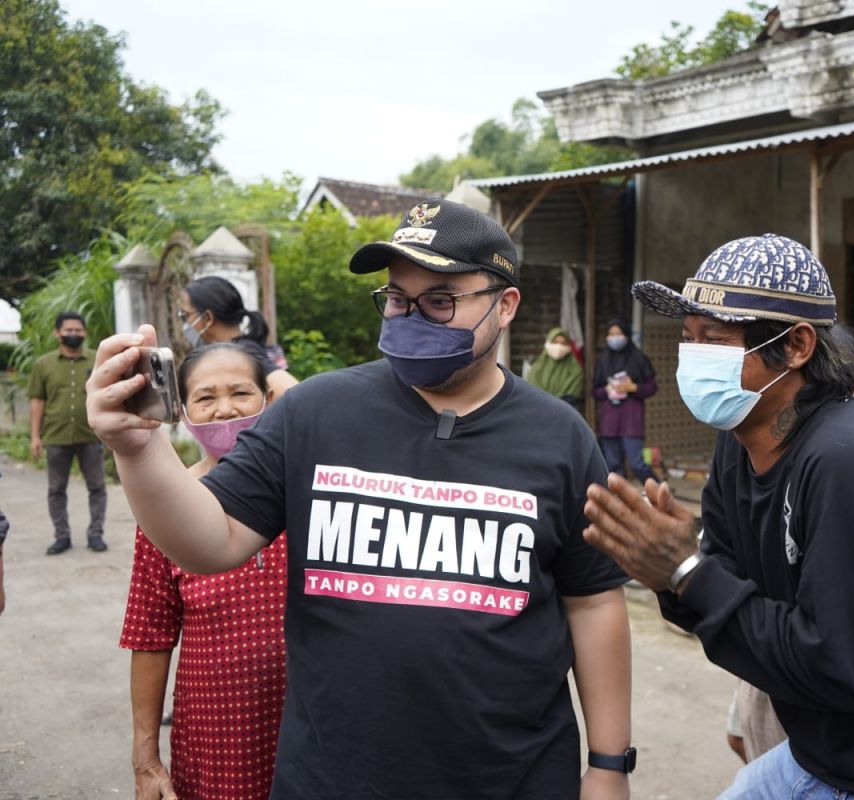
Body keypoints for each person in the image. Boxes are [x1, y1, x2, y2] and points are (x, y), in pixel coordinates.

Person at [88, 199, 633, 799]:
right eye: (399, 298)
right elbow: (210, 541)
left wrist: (608, 765)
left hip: (511, 778)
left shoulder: (559, 437)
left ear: (504, 305)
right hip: (334, 779)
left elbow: (594, 602)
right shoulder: (314, 412)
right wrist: (139, 450)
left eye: (440, 300)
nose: (410, 316)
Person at [583, 233, 854, 799]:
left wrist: (689, 573)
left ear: (797, 346)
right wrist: (672, 570)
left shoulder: (845, 465)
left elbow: (838, 669)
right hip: (820, 754)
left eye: (717, 339)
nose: (694, 355)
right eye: (688, 338)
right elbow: (724, 594)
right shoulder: (738, 441)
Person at [121, 343, 287, 800]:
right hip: (216, 735)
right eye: (206, 397)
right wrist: (146, 759)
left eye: (240, 392)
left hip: (311, 727)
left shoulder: (309, 495)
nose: (225, 409)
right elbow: (149, 635)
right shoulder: (165, 508)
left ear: (269, 401)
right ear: (184, 411)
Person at [29, 311, 107, 555]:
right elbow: (37, 401)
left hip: (91, 435)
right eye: (68, 330)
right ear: (57, 333)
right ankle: (61, 536)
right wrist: (35, 436)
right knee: (56, 489)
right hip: (56, 436)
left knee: (97, 487)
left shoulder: (97, 361)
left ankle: (96, 535)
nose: (73, 334)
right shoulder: (44, 365)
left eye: (78, 330)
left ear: (85, 333)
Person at [177, 275, 299, 396]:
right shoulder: (237, 350)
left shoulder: (243, 353)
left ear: (208, 318)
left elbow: (294, 395)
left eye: (185, 315)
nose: (185, 323)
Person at [593, 320, 658, 483]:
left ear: (627, 335)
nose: (615, 337)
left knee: (638, 464)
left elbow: (652, 387)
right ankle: (619, 502)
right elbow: (594, 391)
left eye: (618, 334)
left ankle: (659, 494)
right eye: (611, 334)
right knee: (613, 466)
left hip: (631, 419)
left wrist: (633, 388)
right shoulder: (603, 360)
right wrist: (607, 390)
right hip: (609, 421)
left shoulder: (638, 358)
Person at [526, 326, 584, 410]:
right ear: (548, 343)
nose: (559, 346)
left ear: (569, 346)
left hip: (565, 412)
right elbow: (530, 392)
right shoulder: (537, 368)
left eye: (563, 343)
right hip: (538, 410)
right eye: (555, 342)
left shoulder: (575, 369)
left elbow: (573, 394)